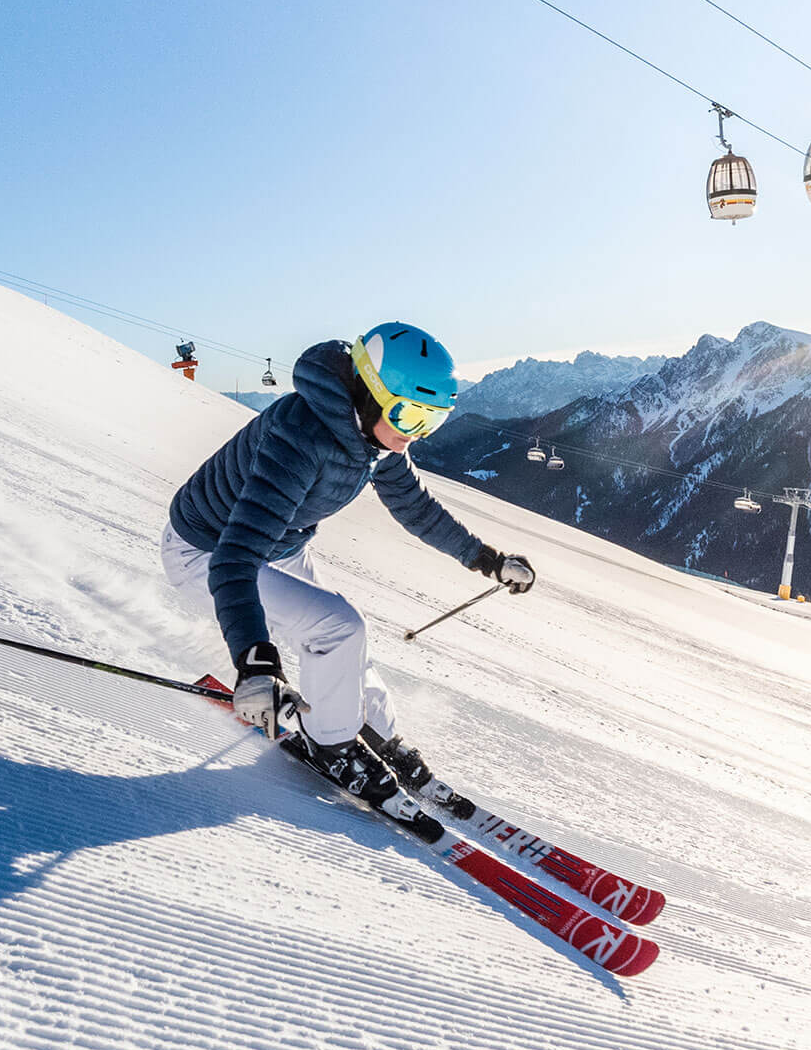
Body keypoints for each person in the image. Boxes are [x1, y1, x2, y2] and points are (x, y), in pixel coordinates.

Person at [164, 322, 535, 810]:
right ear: (369, 394)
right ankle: (333, 745)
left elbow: (416, 506)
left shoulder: (373, 436)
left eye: (432, 421)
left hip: (278, 547)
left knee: (348, 647)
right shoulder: (301, 437)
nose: (414, 434)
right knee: (339, 628)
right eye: (408, 415)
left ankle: (374, 730)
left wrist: (487, 559)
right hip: (206, 550)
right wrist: (254, 662)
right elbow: (235, 557)